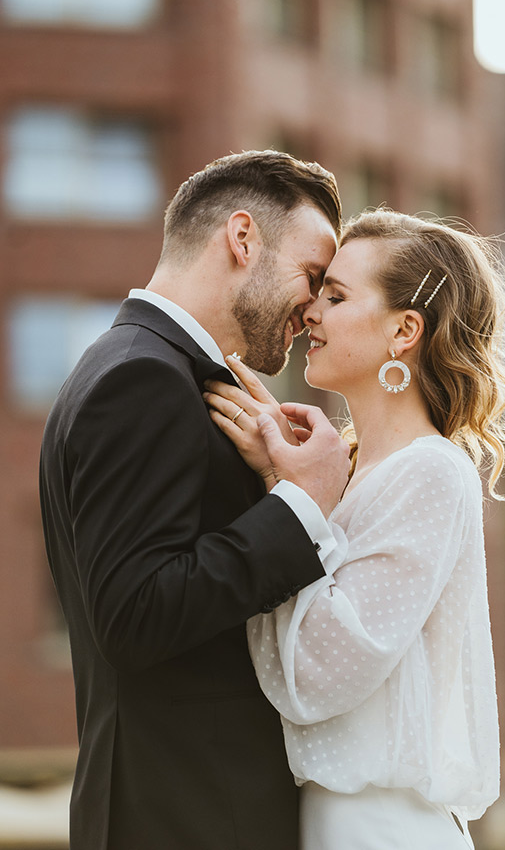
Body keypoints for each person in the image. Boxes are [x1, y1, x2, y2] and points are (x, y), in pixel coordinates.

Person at [38, 151, 352, 850]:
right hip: (184, 819)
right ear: (242, 239)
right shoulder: (143, 380)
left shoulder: (145, 369)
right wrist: (300, 505)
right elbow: (134, 614)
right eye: (311, 276)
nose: (313, 307)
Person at [204, 210, 505, 848]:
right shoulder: (351, 471)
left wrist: (292, 496)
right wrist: (291, 486)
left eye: (336, 297)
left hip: (384, 829)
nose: (310, 312)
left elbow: (321, 672)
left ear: (404, 330)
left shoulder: (430, 474)